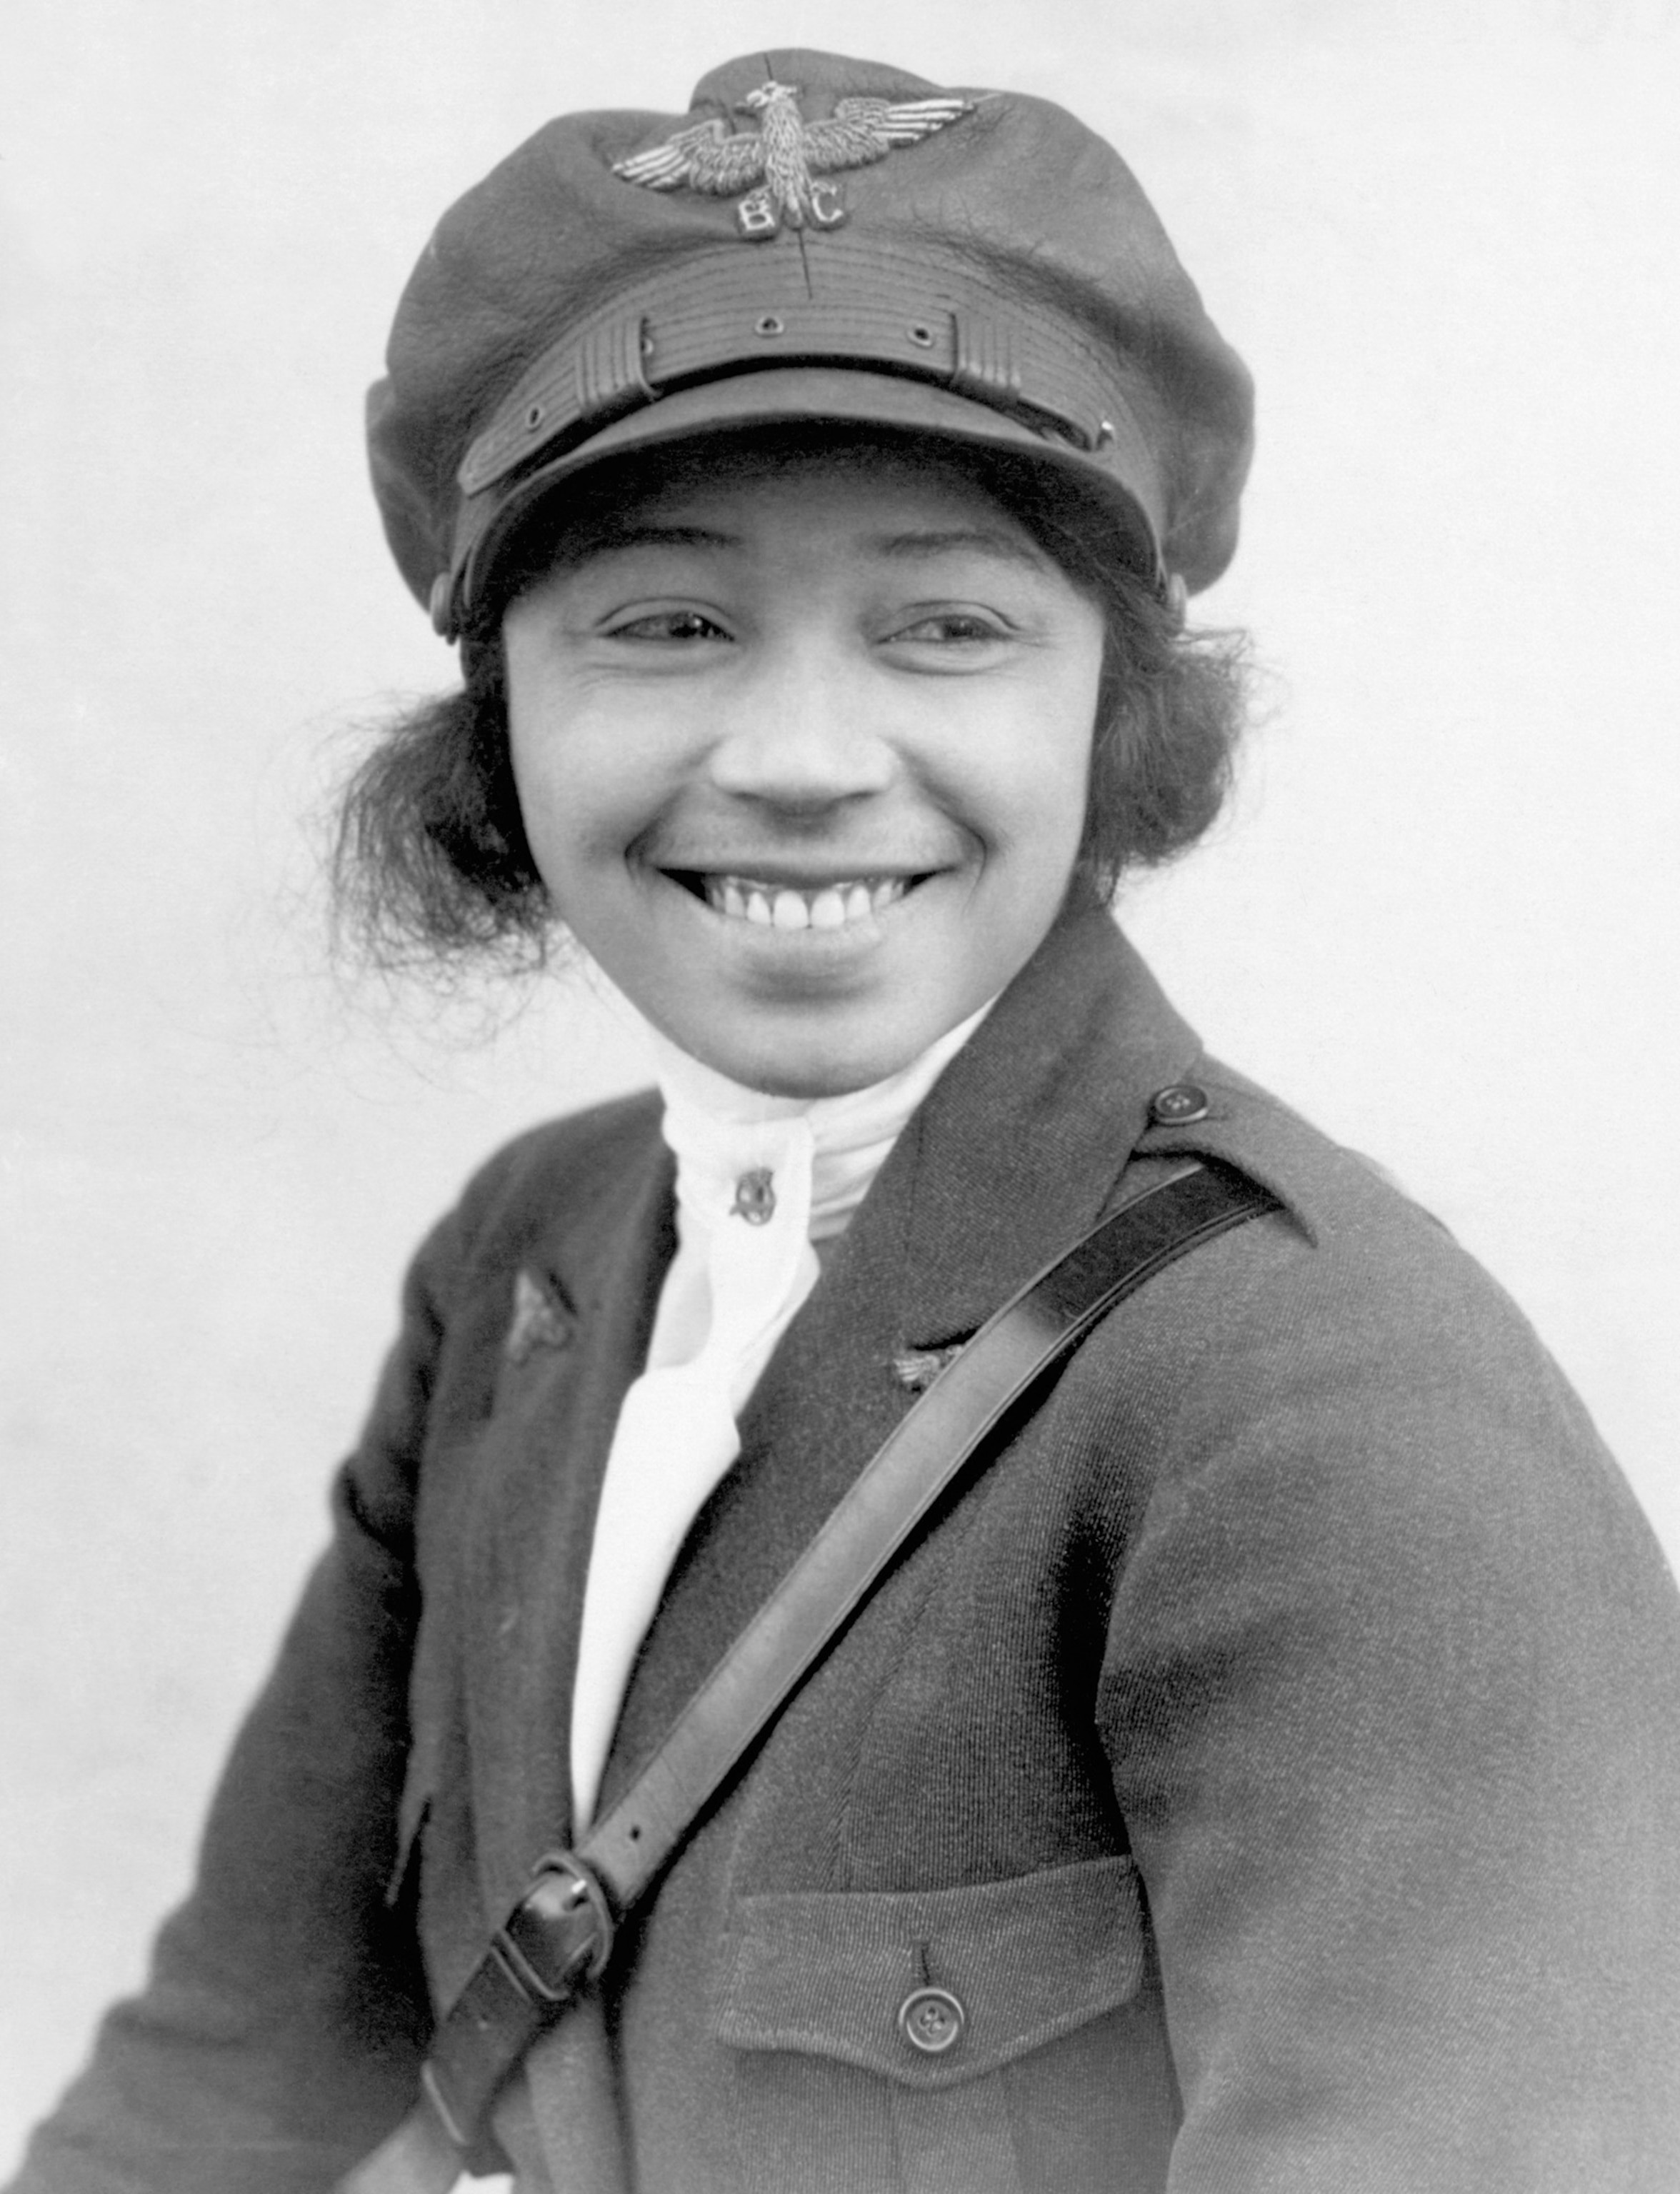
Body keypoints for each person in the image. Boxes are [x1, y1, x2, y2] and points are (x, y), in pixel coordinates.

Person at [11, 44, 1680, 2194]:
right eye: (668, 623)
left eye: (947, 626)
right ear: (501, 722)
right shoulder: (526, 1267)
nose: (804, 753)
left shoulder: (1323, 1404)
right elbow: (224, 2089)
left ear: (1113, 711)